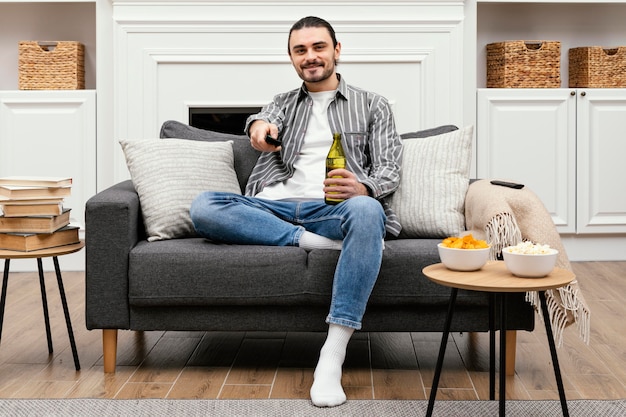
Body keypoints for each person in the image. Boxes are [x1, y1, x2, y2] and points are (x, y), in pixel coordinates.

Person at [190, 16, 402, 407]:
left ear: (337, 50)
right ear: (291, 57)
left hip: (332, 207)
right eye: (300, 50)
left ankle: (332, 354)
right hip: (272, 206)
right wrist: (258, 127)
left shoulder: (374, 105)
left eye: (318, 47)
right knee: (204, 206)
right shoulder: (284, 102)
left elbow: (390, 168)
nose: (310, 57)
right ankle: (315, 243)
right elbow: (261, 121)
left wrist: (364, 187)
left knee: (369, 212)